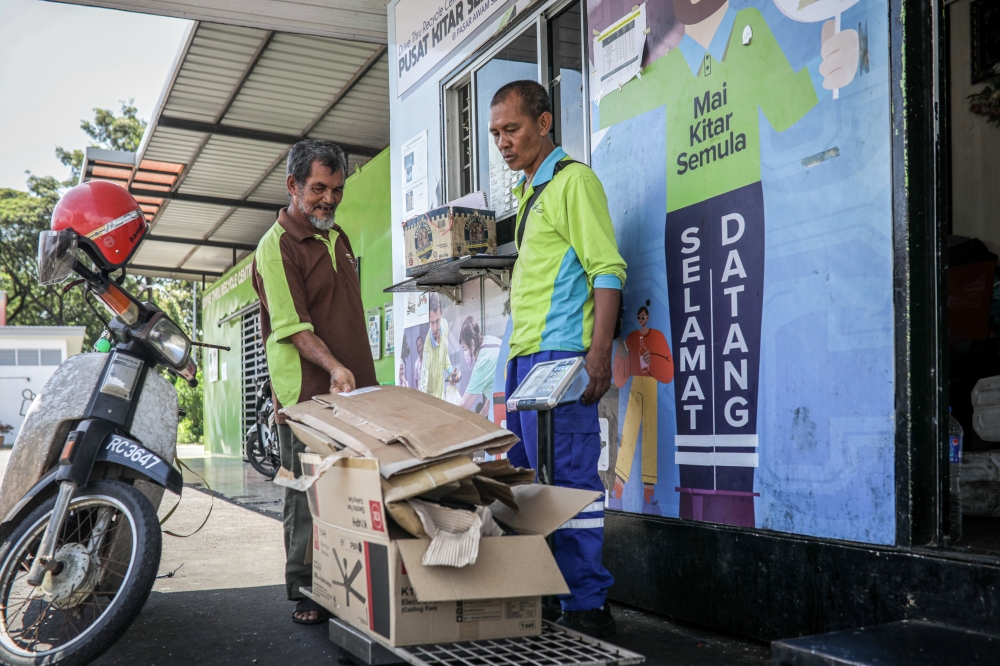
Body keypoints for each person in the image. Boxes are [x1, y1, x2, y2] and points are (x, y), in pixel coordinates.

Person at [491, 80, 626, 638]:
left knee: (568, 480)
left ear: (544, 123)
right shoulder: (532, 191)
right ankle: (548, 593)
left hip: (562, 358)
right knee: (528, 481)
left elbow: (607, 270)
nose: (503, 142)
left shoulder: (574, 182)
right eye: (495, 133)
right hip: (525, 360)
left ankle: (588, 604)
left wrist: (600, 354)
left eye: (512, 129)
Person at [252, 139, 377, 625]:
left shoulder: (337, 237)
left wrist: (355, 373)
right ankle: (304, 586)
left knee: (351, 486)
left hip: (352, 389)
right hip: (306, 393)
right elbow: (293, 327)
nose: (329, 199)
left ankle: (348, 580)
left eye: (337, 189)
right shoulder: (276, 246)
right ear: (293, 185)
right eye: (319, 189)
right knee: (306, 489)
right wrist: (334, 366)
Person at [611, 301, 674, 514]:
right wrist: (622, 358)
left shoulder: (657, 337)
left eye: (644, 316)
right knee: (628, 435)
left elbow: (667, 369)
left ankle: (648, 496)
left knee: (650, 438)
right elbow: (622, 372)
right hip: (636, 385)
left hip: (651, 384)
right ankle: (618, 491)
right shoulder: (631, 338)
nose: (642, 319)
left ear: (647, 317)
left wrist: (652, 359)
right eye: (639, 316)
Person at [458, 316, 501, 416]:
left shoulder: (483, 361)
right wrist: (481, 416)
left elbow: (464, 404)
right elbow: (491, 396)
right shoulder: (489, 341)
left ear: (472, 343)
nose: (465, 353)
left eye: (465, 348)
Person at [419, 292, 458, 399]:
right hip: (429, 398)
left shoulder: (445, 325)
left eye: (437, 321)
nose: (435, 327)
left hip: (441, 396)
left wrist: (451, 373)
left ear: (441, 313)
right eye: (432, 323)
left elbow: (444, 354)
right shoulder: (428, 345)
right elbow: (424, 376)